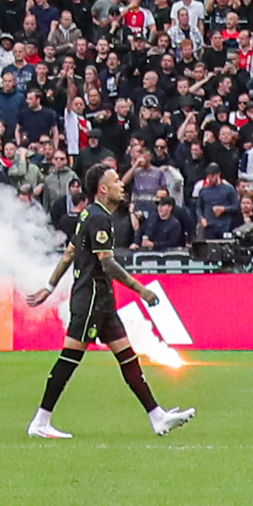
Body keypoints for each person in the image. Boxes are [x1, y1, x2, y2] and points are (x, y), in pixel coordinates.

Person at [24, 163, 195, 440]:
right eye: (116, 181)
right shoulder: (99, 218)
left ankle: (157, 416)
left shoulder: (90, 215)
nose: (122, 184)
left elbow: (69, 253)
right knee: (69, 359)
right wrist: (141, 290)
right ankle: (41, 421)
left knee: (128, 359)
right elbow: (107, 263)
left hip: (102, 302)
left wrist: (49, 286)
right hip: (90, 299)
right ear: (103, 189)